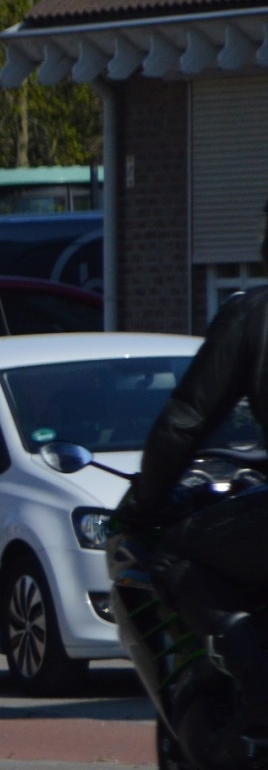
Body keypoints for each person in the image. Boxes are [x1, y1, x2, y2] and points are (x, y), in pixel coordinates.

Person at [111, 286, 268, 724]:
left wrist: (142, 505)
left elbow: (184, 423)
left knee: (178, 553)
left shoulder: (253, 315)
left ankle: (258, 693)